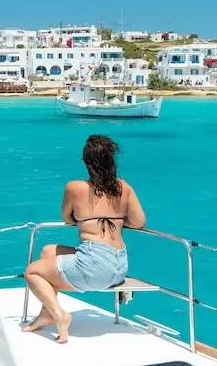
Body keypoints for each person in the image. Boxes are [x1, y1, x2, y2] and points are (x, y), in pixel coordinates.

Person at [23, 134, 146, 343]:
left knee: (32, 272)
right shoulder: (124, 187)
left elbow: (67, 218)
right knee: (48, 252)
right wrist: (113, 218)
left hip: (93, 266)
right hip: (119, 266)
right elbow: (139, 222)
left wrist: (89, 219)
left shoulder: (75, 187)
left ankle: (60, 316)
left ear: (87, 162)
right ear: (111, 161)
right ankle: (46, 314)